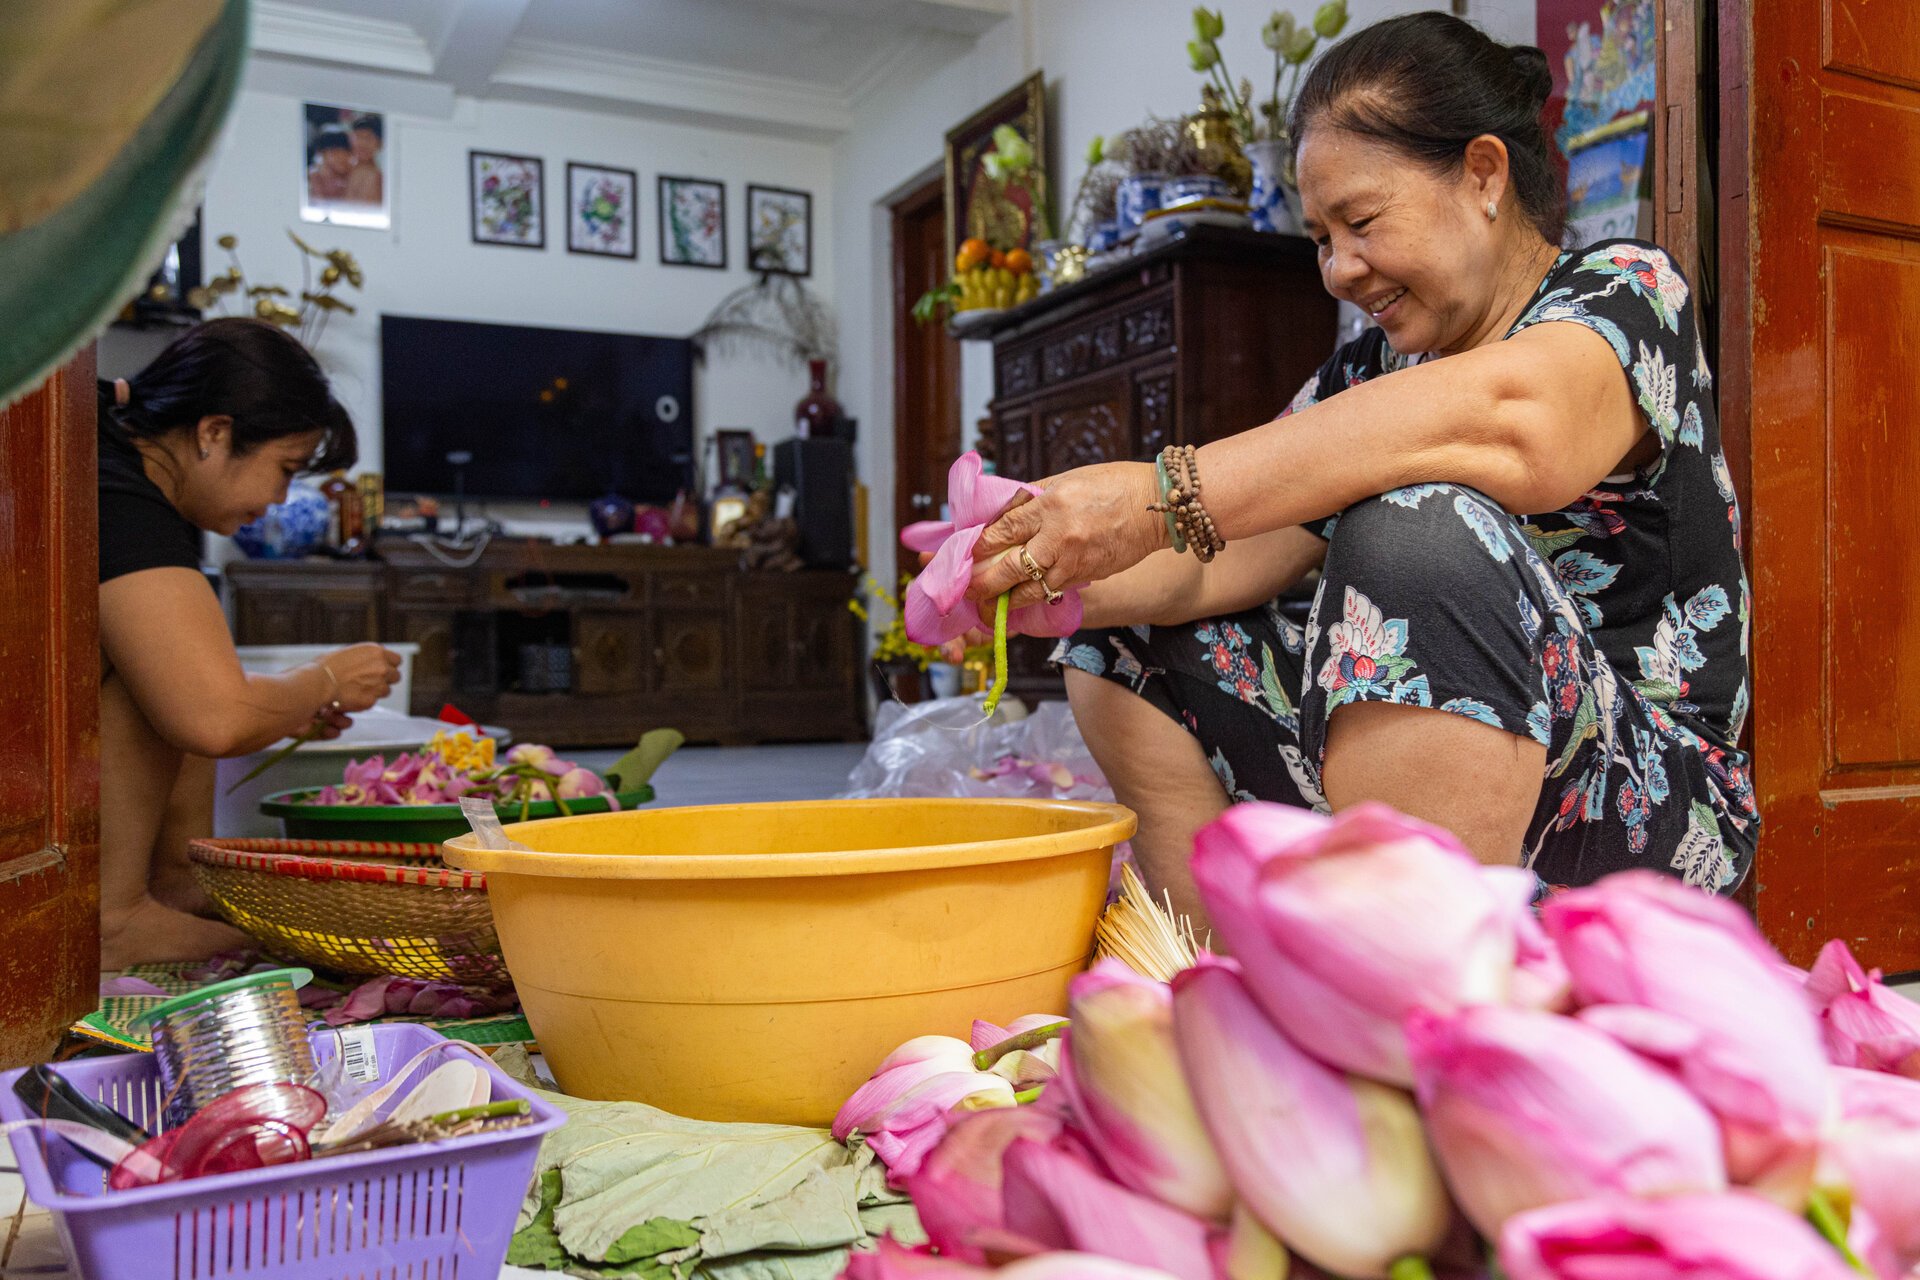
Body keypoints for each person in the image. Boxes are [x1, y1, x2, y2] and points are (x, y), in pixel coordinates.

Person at [967, 12, 1756, 926]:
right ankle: (1222, 975)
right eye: (1318, 237)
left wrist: (1156, 494)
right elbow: (1227, 547)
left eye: (1362, 221)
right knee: (1123, 638)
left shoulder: (1621, 294)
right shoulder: (1369, 374)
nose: (1338, 269)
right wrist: (1029, 581)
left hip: (1641, 797)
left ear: (1484, 174)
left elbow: (1520, 428)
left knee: (1415, 532)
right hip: (1433, 780)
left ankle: (1424, 1007)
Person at [98, 318, 401, 968]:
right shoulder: (117, 495)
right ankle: (115, 918)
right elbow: (213, 718)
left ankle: (175, 882)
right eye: (284, 469)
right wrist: (324, 681)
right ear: (213, 432)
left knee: (181, 660)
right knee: (179, 682)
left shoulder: (115, 443)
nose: (279, 498)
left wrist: (293, 701)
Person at [345, 115, 383, 207]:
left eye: (368, 138)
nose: (362, 143)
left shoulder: (375, 177)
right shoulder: (344, 168)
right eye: (358, 136)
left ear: (380, 144)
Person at [307, 128, 352, 204]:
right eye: (335, 153)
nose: (341, 158)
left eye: (346, 152)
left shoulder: (353, 173)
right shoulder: (313, 176)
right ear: (322, 154)